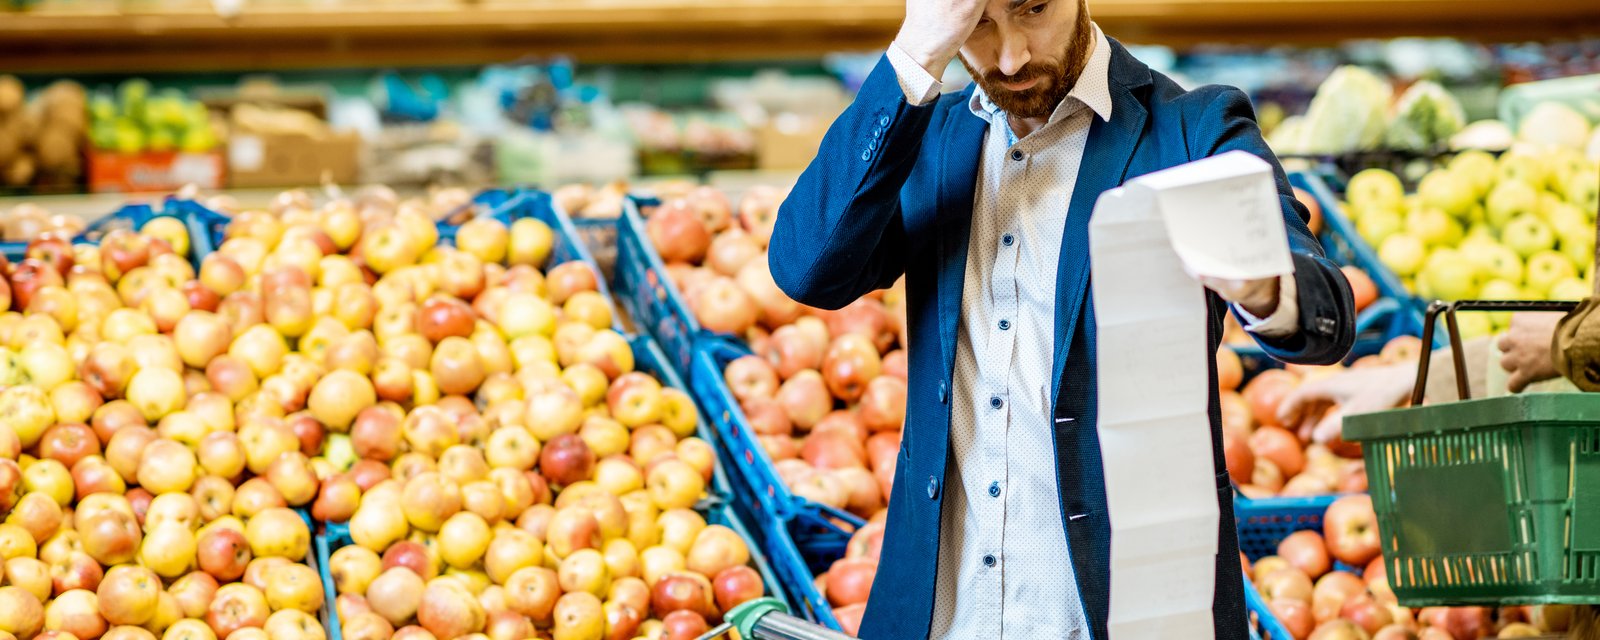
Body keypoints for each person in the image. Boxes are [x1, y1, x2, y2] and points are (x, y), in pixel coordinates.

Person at [765, 0, 1358, 637]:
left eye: (1034, 10)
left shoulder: (1192, 129)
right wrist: (919, 49)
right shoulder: (931, 139)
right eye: (981, 25)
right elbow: (808, 268)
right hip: (942, 616)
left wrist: (1265, 283)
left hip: (1120, 615)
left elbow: (1326, 314)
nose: (1012, 56)